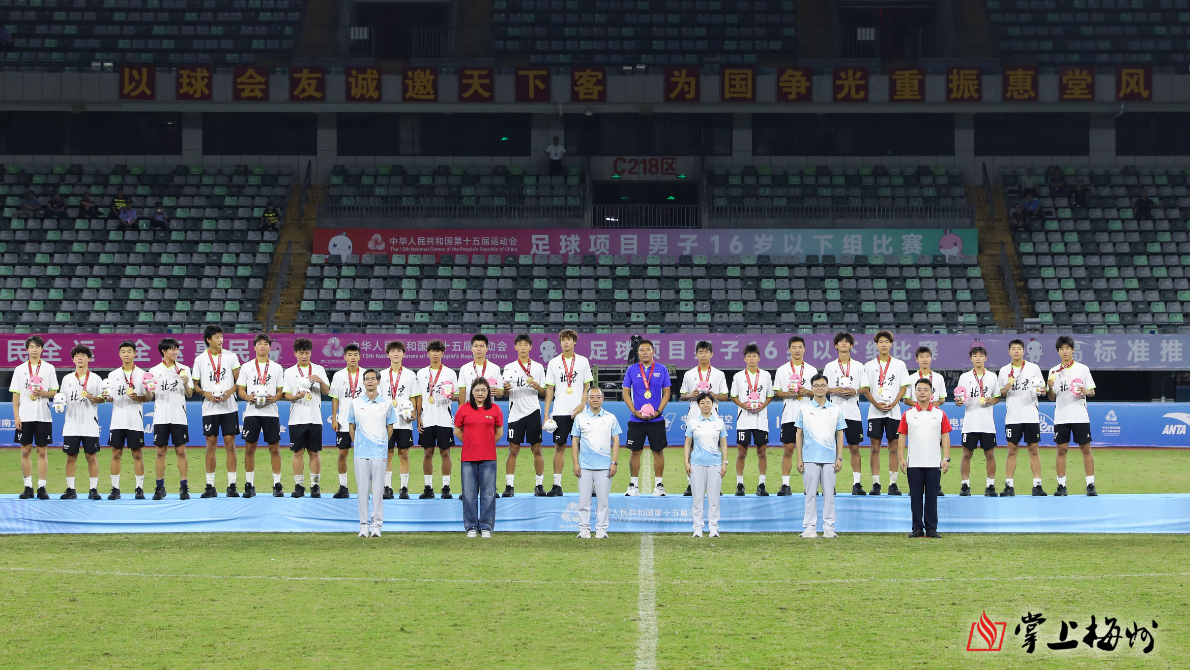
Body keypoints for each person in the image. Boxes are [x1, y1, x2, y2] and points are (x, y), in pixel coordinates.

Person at [897, 378, 951, 539]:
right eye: (919, 389)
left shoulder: (940, 414)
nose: (922, 392)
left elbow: (945, 436)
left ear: (931, 393)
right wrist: (901, 458)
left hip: (934, 463)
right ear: (915, 392)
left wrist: (946, 458)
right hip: (914, 463)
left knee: (932, 498)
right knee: (915, 497)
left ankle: (931, 528)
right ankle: (917, 528)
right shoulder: (908, 414)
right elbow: (902, 436)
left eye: (925, 389)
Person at [795, 374, 847, 539]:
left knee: (829, 495)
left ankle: (829, 528)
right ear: (812, 388)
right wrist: (799, 458)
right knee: (810, 494)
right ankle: (810, 527)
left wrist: (839, 457)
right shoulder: (804, 409)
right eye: (816, 386)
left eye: (822, 385)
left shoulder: (835, 409)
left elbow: (840, 433)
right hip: (809, 458)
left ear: (827, 388)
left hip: (829, 458)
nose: (819, 388)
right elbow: (799, 434)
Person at [192, 324, 241, 498]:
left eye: (221, 336)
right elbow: (195, 386)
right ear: (208, 339)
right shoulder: (199, 360)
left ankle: (232, 486)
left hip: (229, 406)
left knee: (230, 444)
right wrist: (206, 394)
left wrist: (230, 391)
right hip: (209, 407)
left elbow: (240, 381)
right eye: (217, 337)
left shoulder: (231, 356)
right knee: (210, 445)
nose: (220, 340)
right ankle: (210, 486)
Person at [347, 369, 397, 538]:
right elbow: (351, 427)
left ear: (378, 382)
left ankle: (376, 526)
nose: (370, 381)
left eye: (372, 379)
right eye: (367, 379)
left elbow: (390, 428)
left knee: (377, 491)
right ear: (363, 382)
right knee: (362, 491)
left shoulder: (386, 403)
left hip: (379, 454)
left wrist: (381, 444)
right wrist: (358, 444)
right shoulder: (355, 403)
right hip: (361, 453)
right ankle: (363, 526)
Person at [543, 329, 593, 495]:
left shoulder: (583, 361)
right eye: (563, 339)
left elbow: (587, 386)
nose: (566, 342)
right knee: (560, 447)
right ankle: (557, 485)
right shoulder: (553, 363)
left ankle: (589, 486)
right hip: (560, 411)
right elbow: (550, 390)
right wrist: (546, 414)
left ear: (574, 342)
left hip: (580, 412)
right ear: (560, 342)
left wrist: (583, 404)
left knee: (584, 448)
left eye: (569, 339)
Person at [677, 340, 730, 496]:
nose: (703, 355)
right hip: (694, 417)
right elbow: (682, 396)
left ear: (711, 354)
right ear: (696, 355)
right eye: (700, 352)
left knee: (714, 448)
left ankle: (716, 484)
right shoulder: (689, 374)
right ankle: (690, 483)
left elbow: (725, 396)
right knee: (691, 448)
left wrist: (714, 395)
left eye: (706, 352)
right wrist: (690, 395)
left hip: (713, 418)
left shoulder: (719, 374)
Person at [1047, 335, 1097, 496]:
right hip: (1061, 415)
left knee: (1085, 448)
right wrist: (1050, 388)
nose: (1065, 351)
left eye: (1067, 348)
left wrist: (1086, 391)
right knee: (1061, 449)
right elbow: (1051, 397)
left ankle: (1090, 485)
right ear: (1058, 351)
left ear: (1072, 350)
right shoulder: (1053, 371)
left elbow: (1092, 391)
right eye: (1061, 349)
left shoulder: (1083, 369)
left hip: (1079, 415)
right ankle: (1061, 485)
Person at [860, 330, 909, 496]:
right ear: (876, 344)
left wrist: (894, 403)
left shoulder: (899, 365)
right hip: (875, 412)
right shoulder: (869, 366)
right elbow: (865, 389)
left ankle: (893, 484)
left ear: (891, 344)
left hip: (894, 412)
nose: (884, 344)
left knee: (893, 447)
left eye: (887, 342)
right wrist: (876, 404)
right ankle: (876, 484)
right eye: (881, 342)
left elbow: (904, 387)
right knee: (875, 447)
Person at [454, 378, 504, 538]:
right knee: (469, 494)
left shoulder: (495, 409)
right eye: (477, 390)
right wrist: (471, 443)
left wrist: (486, 444)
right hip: (468, 458)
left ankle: (486, 527)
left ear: (488, 392)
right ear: (472, 392)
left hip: (488, 457)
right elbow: (457, 431)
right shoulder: (463, 409)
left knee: (488, 494)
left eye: (483, 390)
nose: (480, 393)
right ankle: (471, 527)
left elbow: (499, 432)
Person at [570, 386, 622, 539]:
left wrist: (614, 463)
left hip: (604, 466)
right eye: (592, 397)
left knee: (603, 500)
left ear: (602, 399)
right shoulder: (580, 418)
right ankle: (584, 529)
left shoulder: (610, 418)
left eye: (598, 397)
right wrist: (576, 463)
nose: (595, 399)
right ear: (587, 399)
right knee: (583, 501)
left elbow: (616, 441)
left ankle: (601, 529)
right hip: (585, 466)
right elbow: (575, 441)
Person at [236, 334, 285, 498]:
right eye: (259, 343)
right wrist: (247, 397)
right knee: (249, 448)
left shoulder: (277, 368)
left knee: (274, 449)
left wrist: (275, 397)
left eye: (265, 344)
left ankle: (277, 484)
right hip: (252, 412)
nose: (262, 346)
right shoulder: (246, 367)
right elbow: (241, 389)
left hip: (271, 413)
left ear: (270, 347)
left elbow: (280, 391)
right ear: (254, 347)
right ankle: (249, 484)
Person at [998, 338, 1047, 496]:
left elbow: (1043, 388)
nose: (1016, 351)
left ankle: (1037, 486)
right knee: (1012, 450)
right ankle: (1009, 486)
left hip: (1031, 415)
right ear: (1009, 352)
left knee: (1033, 450)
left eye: (1019, 348)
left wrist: (1042, 390)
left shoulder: (1033, 368)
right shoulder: (1004, 371)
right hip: (1013, 416)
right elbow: (999, 393)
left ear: (1024, 351)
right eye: (1013, 348)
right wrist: (1005, 389)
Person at [622, 339, 672, 496]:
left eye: (648, 349)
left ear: (653, 352)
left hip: (656, 419)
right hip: (636, 419)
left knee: (658, 452)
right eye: (642, 350)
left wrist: (658, 411)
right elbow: (625, 393)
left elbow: (667, 393)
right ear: (638, 353)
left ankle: (659, 485)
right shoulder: (631, 370)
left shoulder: (662, 369)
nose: (645, 352)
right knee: (635, 452)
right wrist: (634, 412)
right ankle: (633, 485)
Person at [12, 335, 59, 500]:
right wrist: (16, 416)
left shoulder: (49, 368)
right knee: (25, 451)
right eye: (31, 346)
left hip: (43, 416)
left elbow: (54, 392)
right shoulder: (19, 369)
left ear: (42, 349)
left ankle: (42, 488)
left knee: (42, 451)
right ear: (27, 349)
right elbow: (16, 395)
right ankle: (28, 487)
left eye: (37, 346)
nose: (34, 349)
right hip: (24, 416)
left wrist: (43, 393)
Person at [283, 337, 330, 498]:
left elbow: (327, 392)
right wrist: (295, 396)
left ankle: (315, 486)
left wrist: (320, 381)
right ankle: (299, 486)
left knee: (314, 452)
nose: (304, 356)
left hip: (315, 417)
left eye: (307, 352)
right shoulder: (289, 372)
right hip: (296, 418)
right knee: (297, 452)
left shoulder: (319, 369)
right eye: (301, 353)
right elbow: (286, 395)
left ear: (310, 353)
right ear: (295, 353)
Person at [501, 333, 546, 497]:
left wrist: (537, 387)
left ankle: (539, 485)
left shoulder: (538, 367)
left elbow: (544, 392)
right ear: (515, 347)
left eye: (526, 344)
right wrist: (505, 389)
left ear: (530, 347)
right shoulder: (508, 367)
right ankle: (509, 486)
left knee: (537, 449)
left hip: (533, 411)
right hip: (515, 413)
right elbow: (505, 392)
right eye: (520, 344)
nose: (523, 347)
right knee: (513, 450)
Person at [822, 332, 867, 495]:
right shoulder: (829, 366)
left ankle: (857, 484)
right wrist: (835, 390)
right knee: (832, 450)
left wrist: (855, 391)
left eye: (847, 342)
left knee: (854, 448)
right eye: (840, 341)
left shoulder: (859, 366)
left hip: (853, 413)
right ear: (836, 345)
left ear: (851, 346)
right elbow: (822, 388)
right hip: (834, 413)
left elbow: (865, 388)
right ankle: (830, 485)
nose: (843, 344)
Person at [148, 337, 193, 500]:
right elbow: (150, 396)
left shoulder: (184, 369)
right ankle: (160, 487)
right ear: (163, 351)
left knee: (181, 451)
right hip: (160, 416)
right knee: (160, 451)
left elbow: (190, 394)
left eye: (177, 349)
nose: (176, 352)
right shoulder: (153, 371)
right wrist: (148, 389)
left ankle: (184, 487)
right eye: (172, 349)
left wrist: (186, 383)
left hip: (179, 416)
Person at [60, 345, 107, 500]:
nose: (80, 358)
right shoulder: (67, 379)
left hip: (90, 424)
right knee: (71, 457)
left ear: (89, 358)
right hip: (71, 424)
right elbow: (61, 398)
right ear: (73, 359)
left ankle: (93, 490)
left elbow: (103, 398)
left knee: (91, 456)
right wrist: (59, 405)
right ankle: (70, 489)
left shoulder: (96, 379)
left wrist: (95, 398)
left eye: (83, 355)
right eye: (77, 355)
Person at [954, 345, 1001, 496]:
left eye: (981, 356)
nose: (978, 358)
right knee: (967, 454)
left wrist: (991, 400)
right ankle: (965, 485)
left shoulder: (992, 376)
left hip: (987, 423)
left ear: (985, 358)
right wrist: (959, 402)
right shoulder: (964, 377)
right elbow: (959, 398)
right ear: (971, 359)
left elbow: (997, 397)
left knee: (990, 454)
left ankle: (990, 486)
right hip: (970, 422)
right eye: (975, 356)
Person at [774, 335, 817, 497]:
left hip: (808, 416)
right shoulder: (782, 370)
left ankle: (809, 486)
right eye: (794, 347)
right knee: (788, 450)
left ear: (804, 349)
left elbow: (818, 392)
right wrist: (788, 393)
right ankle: (785, 485)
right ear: (789, 350)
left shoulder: (812, 370)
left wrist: (807, 392)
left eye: (800, 347)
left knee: (808, 452)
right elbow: (777, 392)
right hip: (789, 416)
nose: (797, 350)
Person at [106, 340, 149, 500]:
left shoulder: (143, 374)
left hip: (135, 420)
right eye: (123, 351)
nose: (126, 354)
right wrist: (106, 396)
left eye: (129, 351)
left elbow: (148, 397)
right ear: (119, 354)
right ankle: (115, 489)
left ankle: (139, 488)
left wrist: (138, 397)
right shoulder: (112, 375)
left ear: (135, 354)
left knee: (137, 453)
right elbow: (110, 398)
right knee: (116, 453)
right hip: (117, 420)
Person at [377, 340, 420, 499]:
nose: (396, 354)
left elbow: (413, 397)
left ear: (404, 354)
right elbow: (378, 398)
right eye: (393, 351)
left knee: (403, 453)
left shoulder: (410, 375)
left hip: (404, 422)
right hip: (386, 423)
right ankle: (387, 487)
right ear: (387, 354)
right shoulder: (381, 375)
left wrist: (413, 414)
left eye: (399, 351)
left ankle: (404, 488)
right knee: (387, 454)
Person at [416, 339, 458, 499]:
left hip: (444, 419)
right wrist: (418, 416)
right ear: (428, 353)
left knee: (445, 452)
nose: (435, 354)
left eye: (438, 351)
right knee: (427, 453)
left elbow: (456, 395)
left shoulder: (450, 373)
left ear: (442, 353)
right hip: (427, 418)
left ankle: (446, 487)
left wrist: (452, 396)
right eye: (432, 351)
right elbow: (419, 397)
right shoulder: (421, 373)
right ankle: (428, 487)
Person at [730, 343, 773, 496]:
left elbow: (770, 395)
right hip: (744, 419)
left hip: (761, 420)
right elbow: (733, 396)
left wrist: (762, 406)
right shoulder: (738, 376)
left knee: (762, 452)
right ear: (745, 359)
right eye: (749, 356)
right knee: (741, 452)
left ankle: (761, 484)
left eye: (754, 356)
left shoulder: (766, 376)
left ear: (759, 358)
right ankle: (739, 484)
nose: (752, 359)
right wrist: (743, 405)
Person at [906, 345, 948, 496]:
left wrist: (933, 404)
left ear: (931, 358)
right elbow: (906, 399)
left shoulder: (938, 378)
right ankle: (914, 487)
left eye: (927, 356)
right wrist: (920, 405)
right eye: (921, 357)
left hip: (933, 417)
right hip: (916, 417)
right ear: (916, 359)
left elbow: (942, 398)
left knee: (935, 449)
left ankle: (936, 486)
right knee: (915, 448)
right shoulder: (911, 378)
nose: (925, 359)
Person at [684, 392, 726, 538]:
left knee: (714, 499)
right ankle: (697, 528)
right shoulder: (693, 423)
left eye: (708, 402)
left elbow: (724, 444)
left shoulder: (719, 423)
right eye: (702, 402)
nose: (705, 405)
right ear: (698, 405)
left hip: (715, 464)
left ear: (713, 404)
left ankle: (714, 528)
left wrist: (725, 463)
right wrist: (686, 462)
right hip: (696, 464)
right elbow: (687, 443)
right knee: (697, 499)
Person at [330, 343, 364, 498]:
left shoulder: (366, 374)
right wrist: (334, 418)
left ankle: (363, 488)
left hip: (363, 422)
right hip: (344, 421)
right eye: (349, 355)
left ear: (359, 356)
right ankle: (343, 487)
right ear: (344, 357)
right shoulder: (338, 376)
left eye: (355, 354)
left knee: (363, 456)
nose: (352, 358)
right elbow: (335, 398)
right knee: (343, 453)